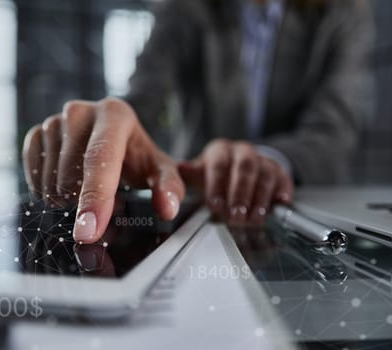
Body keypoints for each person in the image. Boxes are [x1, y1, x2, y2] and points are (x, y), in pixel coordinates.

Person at [22, 0, 373, 244]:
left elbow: (335, 129)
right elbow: (144, 98)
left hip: (303, 206)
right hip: (195, 209)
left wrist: (267, 160)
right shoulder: (184, 8)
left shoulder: (341, 13)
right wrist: (110, 127)